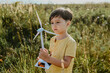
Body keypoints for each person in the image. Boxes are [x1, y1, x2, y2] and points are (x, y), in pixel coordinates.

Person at [38, 8, 77, 73]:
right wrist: (43, 60)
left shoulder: (70, 42)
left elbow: (66, 64)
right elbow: (52, 58)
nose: (54, 25)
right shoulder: (52, 39)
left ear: (67, 24)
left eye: (57, 22)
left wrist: (48, 58)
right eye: (52, 23)